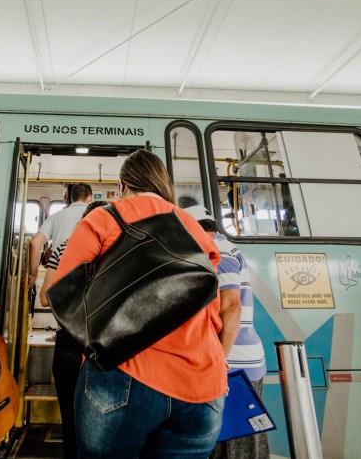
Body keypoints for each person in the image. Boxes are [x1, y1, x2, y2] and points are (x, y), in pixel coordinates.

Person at [53, 150, 226, 458]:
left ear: (122, 185)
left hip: (124, 375)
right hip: (202, 383)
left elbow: (64, 293)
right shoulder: (194, 228)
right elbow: (213, 313)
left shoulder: (103, 218)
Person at [183, 206, 269, 459]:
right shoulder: (225, 246)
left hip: (233, 365)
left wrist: (219, 362)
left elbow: (231, 306)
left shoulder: (216, 249)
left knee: (233, 446)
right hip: (238, 361)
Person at [39, 200, 107, 459]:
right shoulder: (116, 251)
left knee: (70, 422)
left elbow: (45, 297)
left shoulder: (65, 248)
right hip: (105, 346)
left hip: (69, 341)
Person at [27, 182, 93, 289]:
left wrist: (33, 275)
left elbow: (35, 243)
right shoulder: (95, 215)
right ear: (90, 197)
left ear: (72, 197)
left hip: (58, 278)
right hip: (87, 279)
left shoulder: (55, 217)